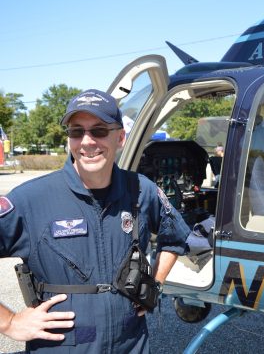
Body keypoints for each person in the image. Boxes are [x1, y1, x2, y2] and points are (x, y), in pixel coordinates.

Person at [0, 89, 191, 352]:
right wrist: (9, 322)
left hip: (131, 344)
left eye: (99, 130)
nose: (87, 141)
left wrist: (153, 286)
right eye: (76, 131)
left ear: (120, 137)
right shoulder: (32, 200)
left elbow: (175, 237)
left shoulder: (141, 190)